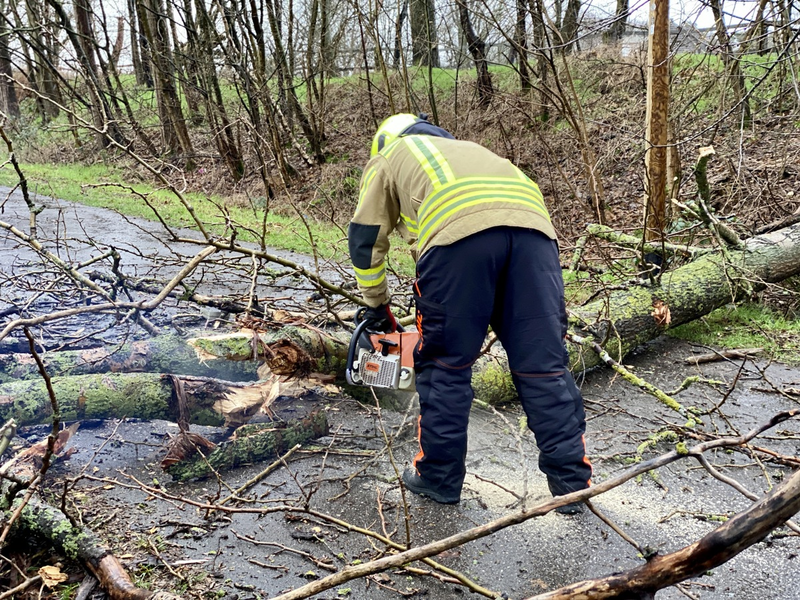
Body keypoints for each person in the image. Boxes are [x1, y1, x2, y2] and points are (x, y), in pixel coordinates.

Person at [348, 113, 592, 513]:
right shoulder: (473, 151)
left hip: (459, 241)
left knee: (446, 364)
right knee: (544, 366)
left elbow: (366, 237)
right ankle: (572, 487)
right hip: (536, 240)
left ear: (385, 140)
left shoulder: (392, 154)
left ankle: (438, 477)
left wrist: (376, 305)